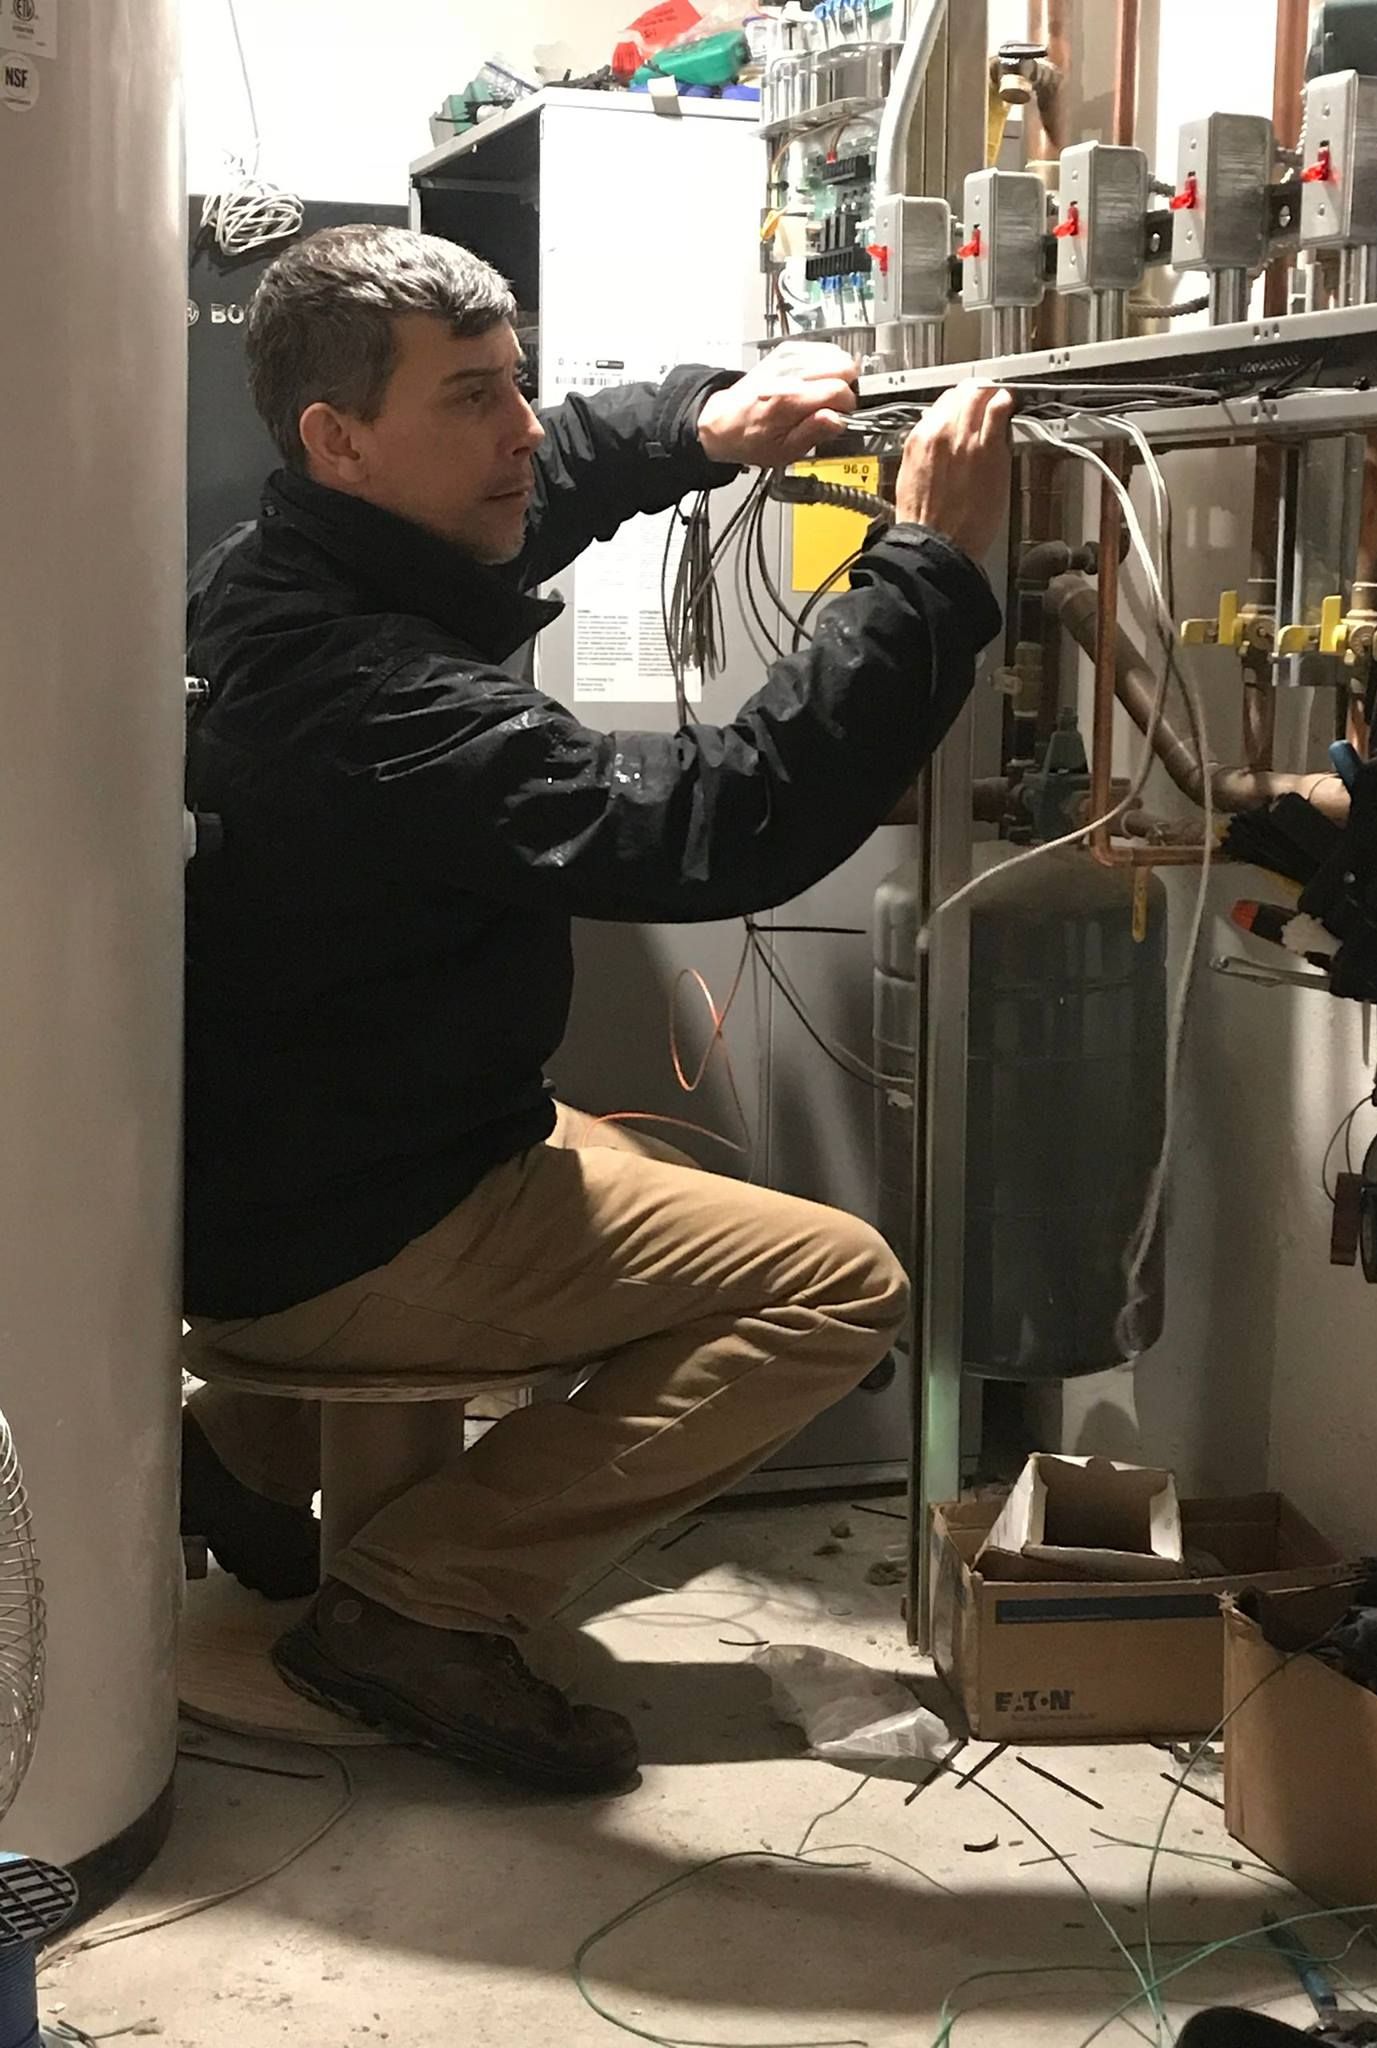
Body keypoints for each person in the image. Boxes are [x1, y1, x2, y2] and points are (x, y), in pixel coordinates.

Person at [181, 224, 1012, 1793]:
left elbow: (542, 481)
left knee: (681, 1187)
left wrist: (707, 422)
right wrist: (925, 570)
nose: (519, 435)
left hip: (312, 1158)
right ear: (338, 436)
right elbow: (711, 823)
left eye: (521, 387)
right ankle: (413, 1606)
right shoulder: (369, 690)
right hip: (363, 1214)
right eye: (474, 399)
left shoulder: (287, 558)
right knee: (838, 1286)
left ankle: (240, 1450)